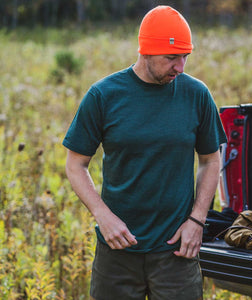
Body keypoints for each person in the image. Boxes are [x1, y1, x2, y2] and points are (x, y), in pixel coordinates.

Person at [63, 5, 227, 300]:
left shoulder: (196, 94)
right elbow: (76, 164)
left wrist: (197, 220)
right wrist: (103, 216)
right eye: (172, 57)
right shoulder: (103, 96)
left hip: (176, 250)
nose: (180, 67)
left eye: (185, 57)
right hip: (117, 252)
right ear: (146, 51)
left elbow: (211, 160)